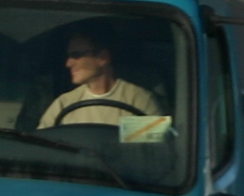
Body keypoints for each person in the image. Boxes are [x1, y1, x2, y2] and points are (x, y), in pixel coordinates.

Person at [38, 31, 166, 135]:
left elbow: (154, 153)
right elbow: (43, 146)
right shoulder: (64, 103)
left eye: (76, 55)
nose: (68, 63)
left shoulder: (139, 100)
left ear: (102, 58)